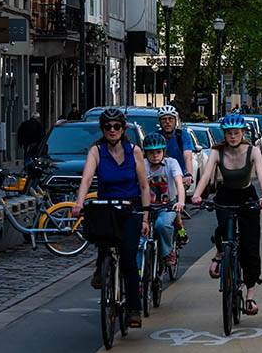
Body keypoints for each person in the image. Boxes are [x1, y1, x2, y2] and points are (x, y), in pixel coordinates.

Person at [72, 108, 151, 328]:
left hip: (131, 207)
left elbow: (144, 186)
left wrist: (145, 216)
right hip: (106, 206)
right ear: (103, 129)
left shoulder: (134, 151)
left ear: (123, 129)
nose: (112, 130)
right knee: (101, 237)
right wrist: (79, 202)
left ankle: (133, 309)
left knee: (128, 258)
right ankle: (101, 267)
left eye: (117, 126)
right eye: (108, 127)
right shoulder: (96, 151)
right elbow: (87, 179)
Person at [191, 114, 262, 316]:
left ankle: (250, 295)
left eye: (236, 133)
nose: (233, 136)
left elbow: (261, 173)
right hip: (226, 195)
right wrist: (197, 195)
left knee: (250, 247)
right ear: (224, 134)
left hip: (247, 196)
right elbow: (207, 174)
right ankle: (220, 253)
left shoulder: (252, 151)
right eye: (229, 133)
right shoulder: (217, 152)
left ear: (243, 133)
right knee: (222, 231)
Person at [140, 134, 187, 269]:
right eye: (151, 152)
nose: (155, 155)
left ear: (163, 151)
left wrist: (181, 202)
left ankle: (168, 252)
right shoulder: (143, 165)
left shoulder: (171, 163)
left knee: (162, 225)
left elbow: (179, 183)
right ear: (146, 153)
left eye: (158, 152)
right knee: (141, 234)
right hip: (147, 206)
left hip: (168, 205)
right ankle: (140, 269)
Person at [156, 105, 195, 187]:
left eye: (170, 119)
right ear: (159, 122)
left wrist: (188, 174)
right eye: (164, 119)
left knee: (179, 198)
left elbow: (188, 157)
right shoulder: (155, 137)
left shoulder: (183, 136)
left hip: (179, 177)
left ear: (175, 121)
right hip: (159, 178)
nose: (167, 122)